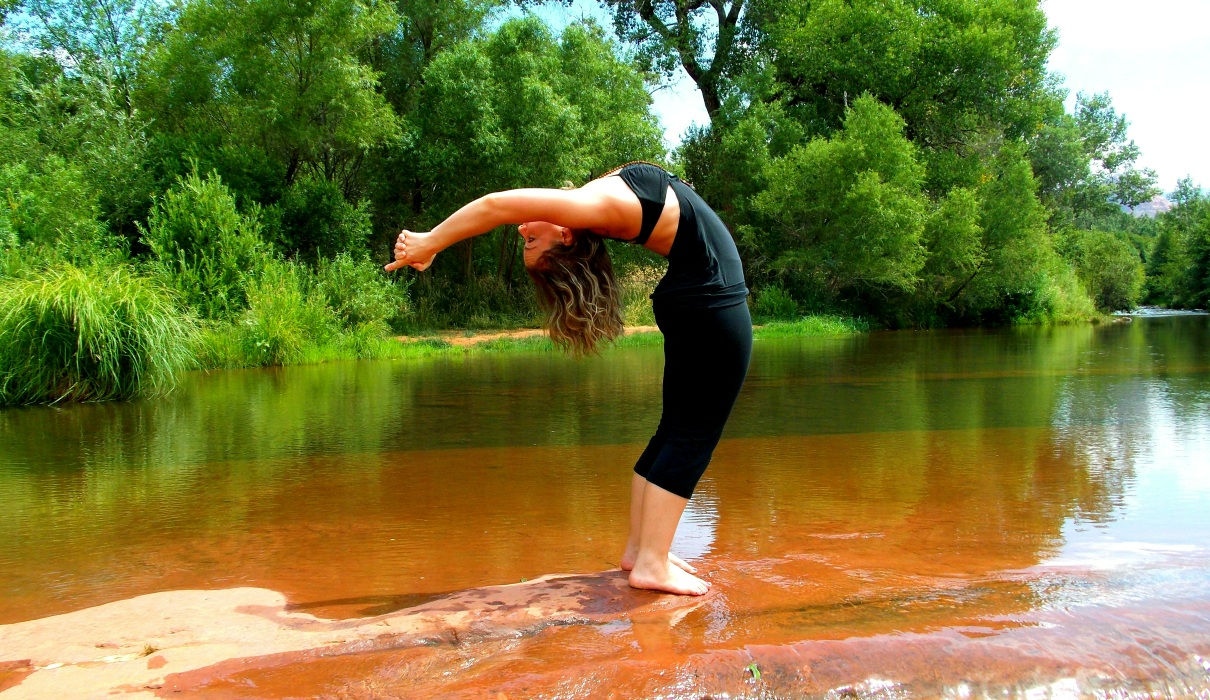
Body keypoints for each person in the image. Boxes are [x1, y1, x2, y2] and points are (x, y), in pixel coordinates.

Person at [385, 162, 752, 596]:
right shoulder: (589, 206)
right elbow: (495, 205)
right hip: (713, 301)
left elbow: (506, 208)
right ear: (565, 234)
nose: (522, 228)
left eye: (526, 239)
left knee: (674, 429)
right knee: (692, 435)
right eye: (531, 238)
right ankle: (652, 563)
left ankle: (640, 550)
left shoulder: (593, 205)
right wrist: (431, 242)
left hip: (694, 298)